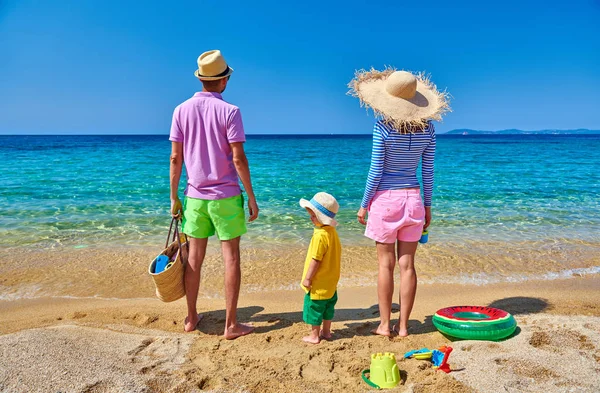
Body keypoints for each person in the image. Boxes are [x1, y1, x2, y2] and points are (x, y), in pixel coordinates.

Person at [348, 68, 450, 337]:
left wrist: (363, 204)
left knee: (386, 265)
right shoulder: (429, 129)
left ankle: (384, 325)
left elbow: (376, 170)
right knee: (408, 266)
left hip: (386, 201)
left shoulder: (382, 127)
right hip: (413, 200)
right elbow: (427, 171)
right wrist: (428, 206)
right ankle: (404, 326)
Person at [169, 50, 259, 339]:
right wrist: (252, 197)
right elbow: (238, 159)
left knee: (194, 259)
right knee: (231, 258)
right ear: (223, 81)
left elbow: (175, 159)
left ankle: (191, 317)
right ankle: (231, 325)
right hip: (226, 196)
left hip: (195, 197)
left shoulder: (180, 110)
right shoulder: (230, 111)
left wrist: (174, 197)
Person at [299, 192, 342, 344]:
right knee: (328, 308)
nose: (311, 218)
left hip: (318, 282)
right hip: (331, 281)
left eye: (313, 215)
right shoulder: (332, 233)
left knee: (314, 308)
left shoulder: (320, 236)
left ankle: (314, 335)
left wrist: (308, 278)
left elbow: (316, 260)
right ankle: (327, 332)